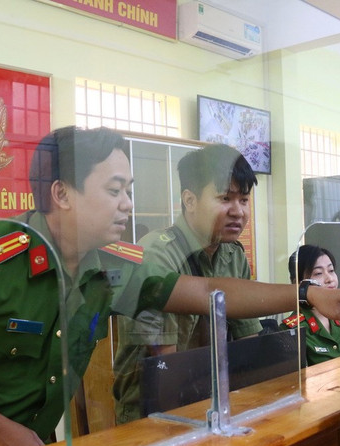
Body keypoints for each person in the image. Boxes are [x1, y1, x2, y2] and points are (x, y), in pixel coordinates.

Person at [0, 125, 340, 446]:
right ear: (63, 194)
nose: (127, 204)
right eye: (114, 190)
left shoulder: (112, 263)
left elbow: (208, 294)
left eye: (129, 191)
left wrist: (310, 293)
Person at [112, 144, 263, 424]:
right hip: (154, 414)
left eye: (244, 199)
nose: (238, 211)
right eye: (225, 198)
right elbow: (167, 367)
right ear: (189, 200)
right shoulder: (157, 255)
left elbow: (249, 346)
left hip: (215, 404)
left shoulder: (233, 256)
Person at [280, 245, 340, 365]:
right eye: (318, 273)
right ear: (297, 283)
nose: (329, 279)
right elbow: (296, 381)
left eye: (331, 270)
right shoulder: (293, 330)